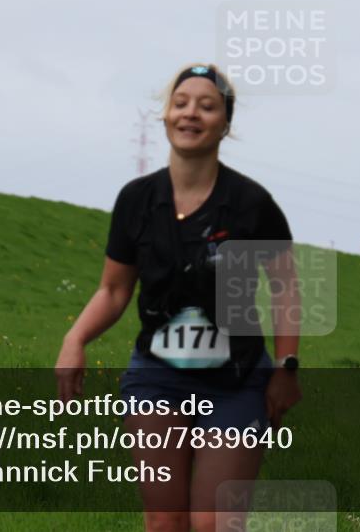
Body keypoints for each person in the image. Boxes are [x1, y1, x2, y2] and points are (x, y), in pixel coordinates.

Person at [54, 64, 302, 532]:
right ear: (165, 115)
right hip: (157, 378)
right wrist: (76, 338)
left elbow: (285, 288)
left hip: (237, 380)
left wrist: (287, 368)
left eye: (207, 106)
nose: (191, 114)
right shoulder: (136, 200)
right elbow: (114, 289)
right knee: (164, 522)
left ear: (225, 122)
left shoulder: (252, 205)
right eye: (181, 103)